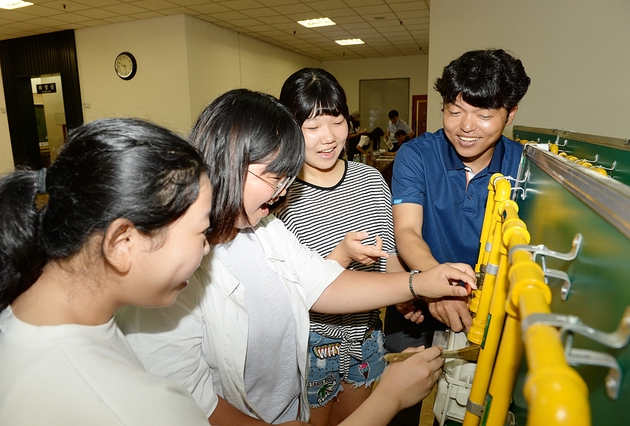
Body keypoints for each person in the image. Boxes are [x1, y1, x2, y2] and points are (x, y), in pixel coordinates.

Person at [117, 89, 477, 426]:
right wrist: (390, 398)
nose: (281, 193)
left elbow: (323, 284)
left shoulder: (263, 230)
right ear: (230, 161)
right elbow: (199, 409)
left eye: (287, 179)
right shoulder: (172, 278)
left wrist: (420, 281)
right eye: (274, 176)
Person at [0, 118, 213, 425]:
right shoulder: (140, 409)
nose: (206, 248)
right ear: (123, 242)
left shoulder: (26, 304)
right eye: (203, 231)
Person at [386, 48, 531, 426]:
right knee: (397, 403)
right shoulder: (416, 155)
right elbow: (406, 231)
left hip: (483, 312)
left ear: (510, 114)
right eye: (455, 111)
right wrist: (437, 285)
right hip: (418, 299)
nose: (466, 127)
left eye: (483, 115)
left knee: (467, 407)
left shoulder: (523, 167)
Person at [277, 68, 416, 426]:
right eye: (312, 127)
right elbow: (288, 288)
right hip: (309, 345)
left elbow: (390, 258)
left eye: (336, 121)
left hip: (365, 336)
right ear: (290, 129)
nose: (328, 138)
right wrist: (340, 255)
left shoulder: (369, 179)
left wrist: (410, 293)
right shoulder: (280, 194)